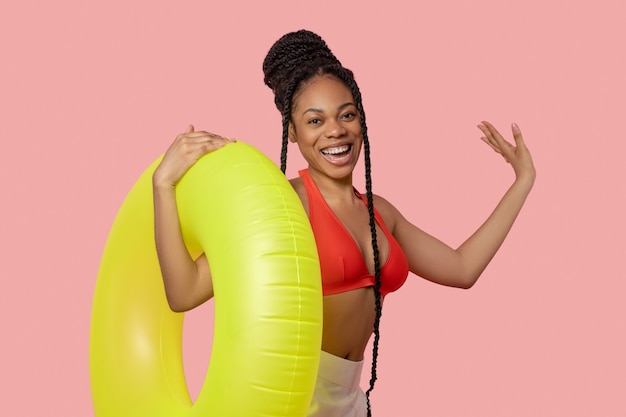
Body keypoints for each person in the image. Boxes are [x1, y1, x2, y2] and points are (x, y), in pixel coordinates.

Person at [152, 30, 535, 417]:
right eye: (315, 120)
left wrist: (522, 182)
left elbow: (462, 268)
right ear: (293, 132)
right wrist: (163, 186)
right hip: (292, 398)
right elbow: (184, 294)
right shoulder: (282, 206)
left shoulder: (380, 214)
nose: (336, 130)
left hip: (351, 402)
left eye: (347, 114)